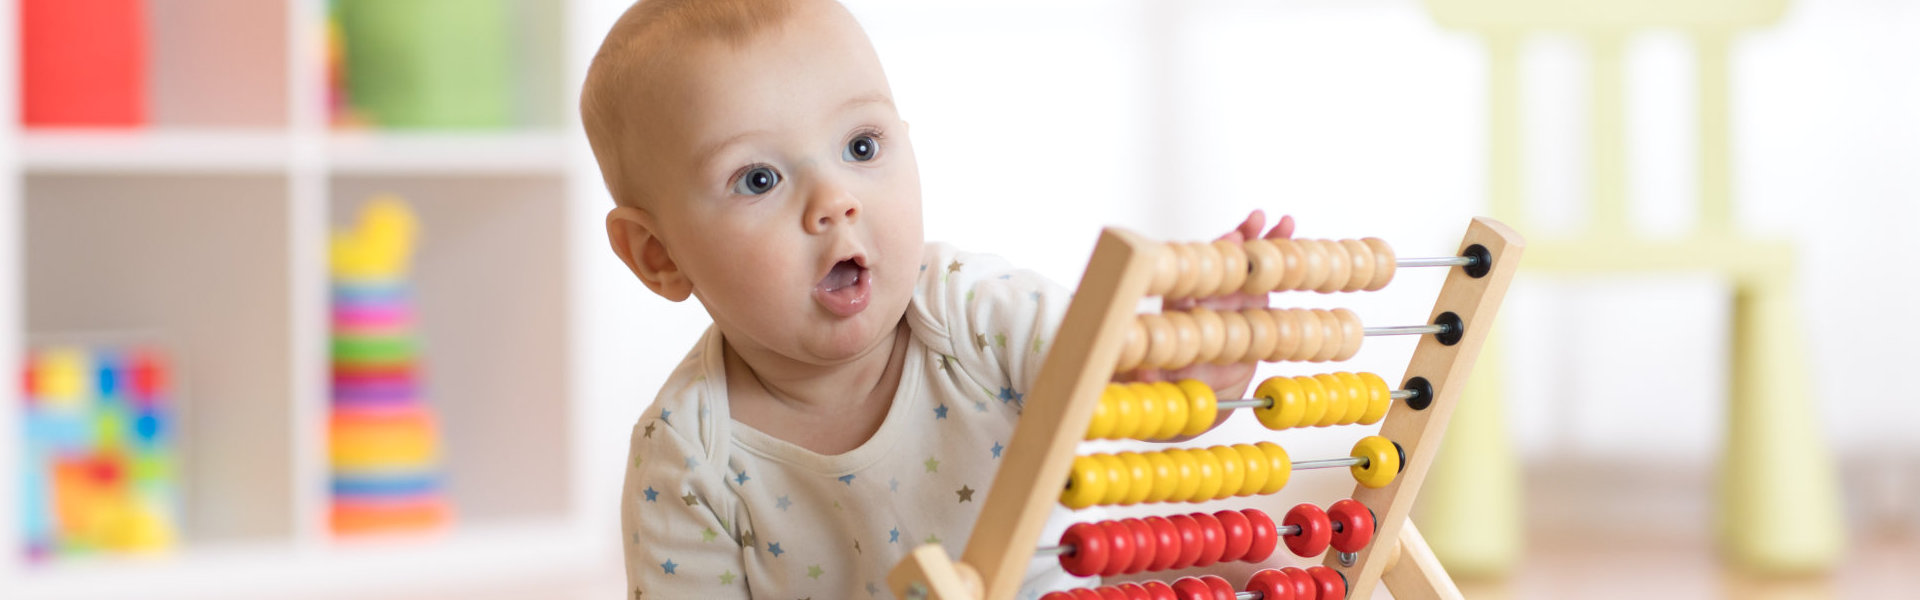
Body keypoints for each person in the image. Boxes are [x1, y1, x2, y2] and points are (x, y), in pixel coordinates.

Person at [580, 0, 1291, 596]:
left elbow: (1123, 393)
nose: (836, 202)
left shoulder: (974, 312)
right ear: (660, 256)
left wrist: (1191, 370)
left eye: (861, 147)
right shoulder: (685, 455)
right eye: (758, 180)